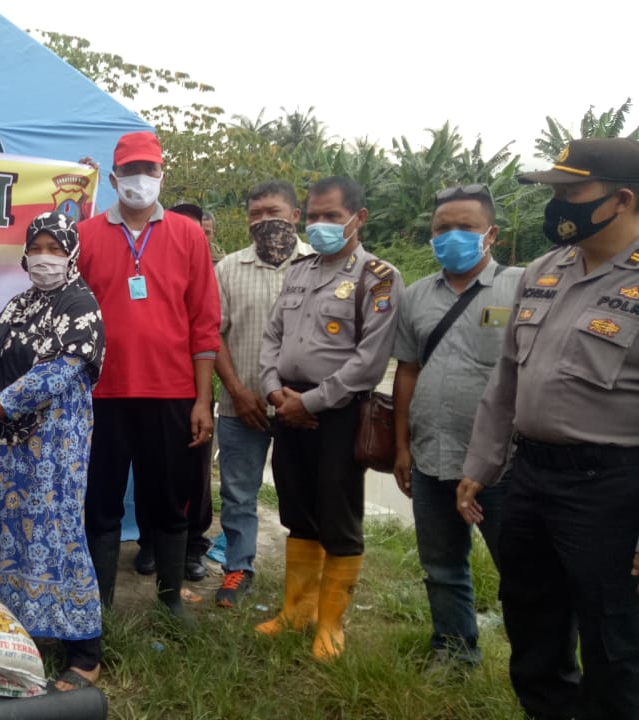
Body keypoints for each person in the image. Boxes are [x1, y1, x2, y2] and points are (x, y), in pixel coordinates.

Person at [460, 138, 639, 720]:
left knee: (615, 639)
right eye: (554, 190)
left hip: (611, 488)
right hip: (531, 476)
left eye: (571, 191)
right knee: (532, 621)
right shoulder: (543, 271)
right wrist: (481, 465)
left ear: (623, 199)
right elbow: (507, 379)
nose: (557, 203)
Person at [0, 210, 105, 692]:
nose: (44, 258)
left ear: (71, 253)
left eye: (54, 249)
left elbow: (52, 375)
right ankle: (21, 636)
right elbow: (4, 374)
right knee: (7, 538)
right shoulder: (18, 306)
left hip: (52, 448)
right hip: (6, 445)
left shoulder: (80, 305)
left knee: (57, 536)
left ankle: (85, 651)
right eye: (36, 248)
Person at [76, 131, 221, 620]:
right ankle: (98, 606)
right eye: (131, 170)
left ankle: (171, 601)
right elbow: (72, 316)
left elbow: (205, 322)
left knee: (170, 500)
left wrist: (202, 401)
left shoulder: (188, 235)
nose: (141, 179)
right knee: (101, 501)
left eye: (149, 170)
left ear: (162, 175)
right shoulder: (86, 236)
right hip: (102, 393)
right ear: (114, 177)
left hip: (172, 392)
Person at [257, 176, 401, 660]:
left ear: (358, 218)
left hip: (337, 413)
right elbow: (272, 338)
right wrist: (274, 391)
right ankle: (296, 611)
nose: (320, 225)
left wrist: (312, 402)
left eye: (332, 217)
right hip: (287, 406)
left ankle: (331, 624)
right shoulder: (299, 271)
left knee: (338, 515)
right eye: (314, 216)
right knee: (296, 509)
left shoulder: (378, 277)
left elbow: (369, 361)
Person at [391, 184, 522, 669]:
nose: (452, 236)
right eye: (442, 228)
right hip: (432, 456)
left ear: (491, 234)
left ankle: (537, 670)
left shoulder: (521, 286)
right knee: (442, 566)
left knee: (523, 571)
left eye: (466, 227)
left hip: (503, 465)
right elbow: (407, 371)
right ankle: (454, 651)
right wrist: (401, 447)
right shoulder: (417, 295)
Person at [211, 180, 315, 608]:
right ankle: (238, 568)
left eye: (273, 211)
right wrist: (236, 390)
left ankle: (306, 585)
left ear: (295, 215)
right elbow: (213, 335)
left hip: (304, 408)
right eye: (256, 214)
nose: (264, 220)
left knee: (305, 496)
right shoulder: (228, 268)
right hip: (243, 407)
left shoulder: (320, 265)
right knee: (237, 494)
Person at [128, 202, 219, 583]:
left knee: (189, 478)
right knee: (147, 475)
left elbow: (207, 328)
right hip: (129, 387)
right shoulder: (132, 248)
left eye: (203, 233)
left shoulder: (204, 263)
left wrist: (203, 399)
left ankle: (192, 547)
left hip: (183, 389)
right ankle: (149, 543)